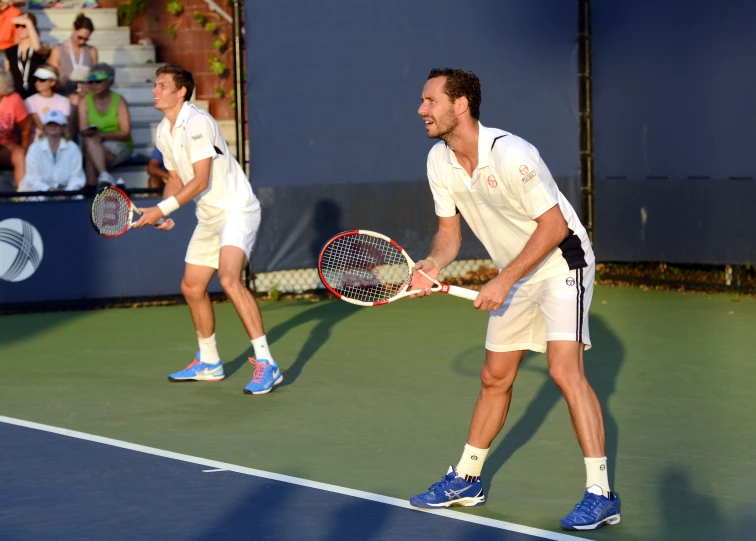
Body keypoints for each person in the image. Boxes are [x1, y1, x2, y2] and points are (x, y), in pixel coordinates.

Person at [407, 68, 620, 531]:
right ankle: (467, 478)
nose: (421, 109)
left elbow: (554, 227)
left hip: (563, 262)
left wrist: (503, 280)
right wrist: (431, 266)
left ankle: (601, 493)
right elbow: (448, 236)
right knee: (494, 377)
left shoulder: (513, 154)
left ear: (459, 105)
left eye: (430, 100)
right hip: (517, 273)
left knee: (565, 370)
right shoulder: (437, 162)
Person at [132, 64, 280, 395]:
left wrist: (161, 208)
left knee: (229, 278)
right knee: (192, 286)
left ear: (181, 91)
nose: (155, 90)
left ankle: (267, 363)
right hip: (209, 216)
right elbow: (175, 179)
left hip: (237, 210)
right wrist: (163, 211)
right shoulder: (164, 130)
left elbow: (200, 180)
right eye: (155, 85)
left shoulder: (197, 122)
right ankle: (210, 362)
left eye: (162, 85)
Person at [78, 62, 132, 188]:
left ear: (109, 81)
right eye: (91, 81)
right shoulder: (85, 100)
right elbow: (83, 129)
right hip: (93, 143)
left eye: (98, 81)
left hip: (117, 143)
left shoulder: (119, 101)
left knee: (90, 152)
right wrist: (94, 136)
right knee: (90, 142)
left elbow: (125, 133)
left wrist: (100, 135)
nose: (94, 84)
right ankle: (103, 176)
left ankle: (91, 189)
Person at [17, 108, 84, 193]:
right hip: (37, 195)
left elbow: (77, 178)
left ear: (63, 128)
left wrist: (66, 193)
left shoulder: (73, 148)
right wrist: (49, 190)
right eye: (50, 124)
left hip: (67, 196)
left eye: (56, 124)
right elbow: (32, 179)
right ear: (45, 128)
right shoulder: (34, 148)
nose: (53, 126)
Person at [48, 14, 97, 99]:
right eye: (80, 37)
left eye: (86, 39)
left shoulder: (92, 51)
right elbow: (52, 79)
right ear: (74, 28)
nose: (82, 42)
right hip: (64, 93)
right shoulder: (57, 50)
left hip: (85, 94)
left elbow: (96, 77)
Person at [4, 12, 50, 99]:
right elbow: (8, 75)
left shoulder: (43, 46)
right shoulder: (10, 50)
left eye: (24, 26)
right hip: (16, 95)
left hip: (36, 94)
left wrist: (28, 22)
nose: (20, 29)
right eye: (17, 26)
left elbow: (37, 48)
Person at [24, 65, 70, 141]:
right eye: (36, 79)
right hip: (37, 142)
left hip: (58, 141)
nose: (37, 82)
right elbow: (37, 122)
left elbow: (63, 124)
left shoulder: (64, 101)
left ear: (53, 82)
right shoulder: (29, 101)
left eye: (42, 80)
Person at [0, 68, 30, 187]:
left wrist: (25, 148)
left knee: (19, 154)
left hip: (7, 146)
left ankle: (23, 196)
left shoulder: (14, 99)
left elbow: (26, 128)